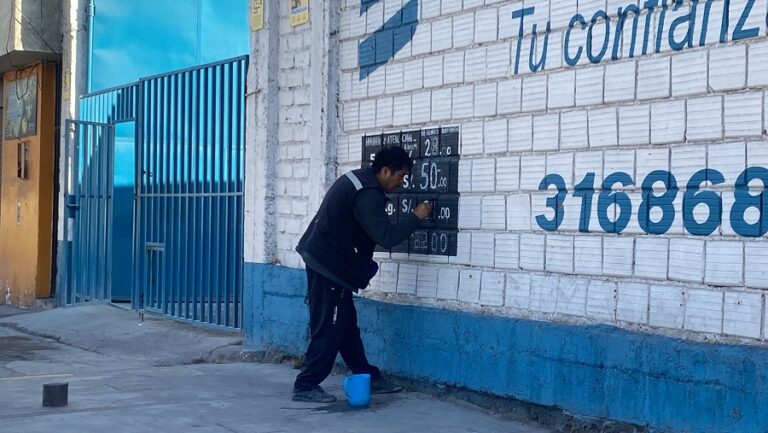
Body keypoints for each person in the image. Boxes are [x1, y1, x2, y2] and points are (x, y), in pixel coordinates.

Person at [292, 146, 432, 403]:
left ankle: (366, 375)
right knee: (331, 326)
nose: (402, 183)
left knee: (345, 325)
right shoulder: (368, 194)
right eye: (401, 176)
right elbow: (386, 237)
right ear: (385, 170)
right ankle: (306, 384)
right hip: (328, 266)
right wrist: (416, 216)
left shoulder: (359, 180)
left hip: (328, 261)